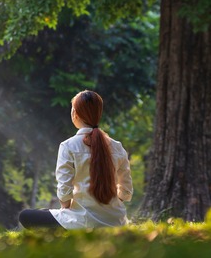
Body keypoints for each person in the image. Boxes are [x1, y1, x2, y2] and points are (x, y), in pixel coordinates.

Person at [18, 90, 133, 229]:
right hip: (115, 221)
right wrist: (109, 207)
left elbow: (64, 191)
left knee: (26, 216)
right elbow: (126, 191)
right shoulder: (117, 146)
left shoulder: (68, 146)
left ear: (75, 114)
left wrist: (66, 209)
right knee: (45, 212)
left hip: (81, 222)